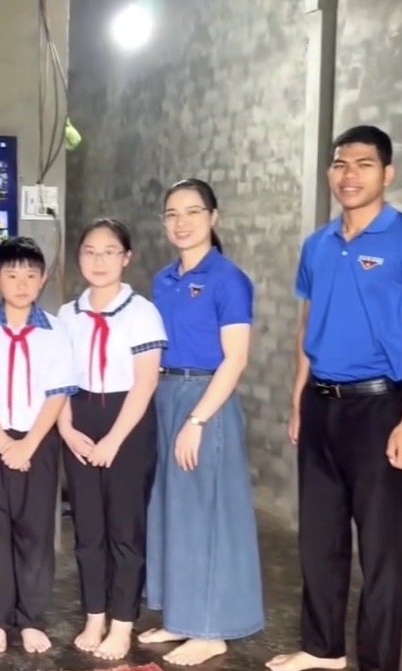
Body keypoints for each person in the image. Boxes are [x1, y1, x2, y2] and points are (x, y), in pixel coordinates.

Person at [267, 127, 402, 671]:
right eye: (341, 164)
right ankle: (323, 648)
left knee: (381, 550)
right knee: (318, 541)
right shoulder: (317, 245)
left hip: (378, 409)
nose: (350, 175)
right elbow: (307, 325)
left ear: (387, 173)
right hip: (321, 403)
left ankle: (378, 663)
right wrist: (298, 400)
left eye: (364, 164)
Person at [140, 178, 264, 666]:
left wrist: (196, 420)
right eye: (172, 214)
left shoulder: (228, 279)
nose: (182, 222)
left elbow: (235, 359)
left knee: (207, 514)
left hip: (205, 400)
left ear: (213, 218)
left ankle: (210, 630)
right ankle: (180, 616)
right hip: (166, 394)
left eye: (193, 211)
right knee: (174, 511)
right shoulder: (162, 280)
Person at [0, 237, 74, 656]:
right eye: (12, 275)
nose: (21, 284)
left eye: (30, 275)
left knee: (36, 531)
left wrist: (29, 443)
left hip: (39, 439)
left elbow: (58, 391)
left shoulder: (56, 329)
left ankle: (32, 618)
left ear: (42, 280)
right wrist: (3, 440)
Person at [56, 219, 166, 661]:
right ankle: (94, 615)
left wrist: (114, 440)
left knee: (124, 529)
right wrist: (67, 428)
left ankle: (122, 623)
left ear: (126, 258)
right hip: (79, 415)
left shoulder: (142, 313)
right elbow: (57, 379)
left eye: (109, 252)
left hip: (127, 421)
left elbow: (145, 382)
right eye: (89, 251)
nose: (98, 261)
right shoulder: (67, 315)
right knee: (87, 529)